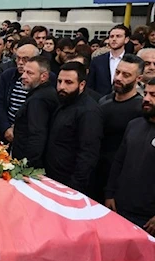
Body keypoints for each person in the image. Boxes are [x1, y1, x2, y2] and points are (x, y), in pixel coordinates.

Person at [91, 54, 144, 202]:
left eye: (126, 75)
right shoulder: (103, 101)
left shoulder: (140, 109)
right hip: (95, 173)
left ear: (138, 79)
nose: (119, 78)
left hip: (120, 180)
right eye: (118, 72)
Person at [105, 80, 155, 233]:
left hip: (148, 218)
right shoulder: (134, 125)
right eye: (145, 93)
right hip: (121, 209)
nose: (146, 99)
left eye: (153, 95)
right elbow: (119, 161)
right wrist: (109, 194)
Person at [45, 62, 102, 194]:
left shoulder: (89, 112)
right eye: (59, 81)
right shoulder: (63, 102)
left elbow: (88, 154)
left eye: (68, 82)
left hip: (70, 185)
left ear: (81, 85)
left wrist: (74, 187)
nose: (61, 87)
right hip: (53, 178)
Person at [11, 56, 58, 168]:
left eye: (29, 73)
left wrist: (27, 166)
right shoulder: (42, 94)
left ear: (44, 76)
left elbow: (37, 134)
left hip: (29, 164)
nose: (23, 76)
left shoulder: (39, 99)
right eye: (24, 72)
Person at [87, 25, 130, 96]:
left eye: (118, 36)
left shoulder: (132, 61)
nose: (114, 39)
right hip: (100, 102)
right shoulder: (97, 61)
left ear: (126, 39)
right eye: (111, 36)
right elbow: (90, 85)